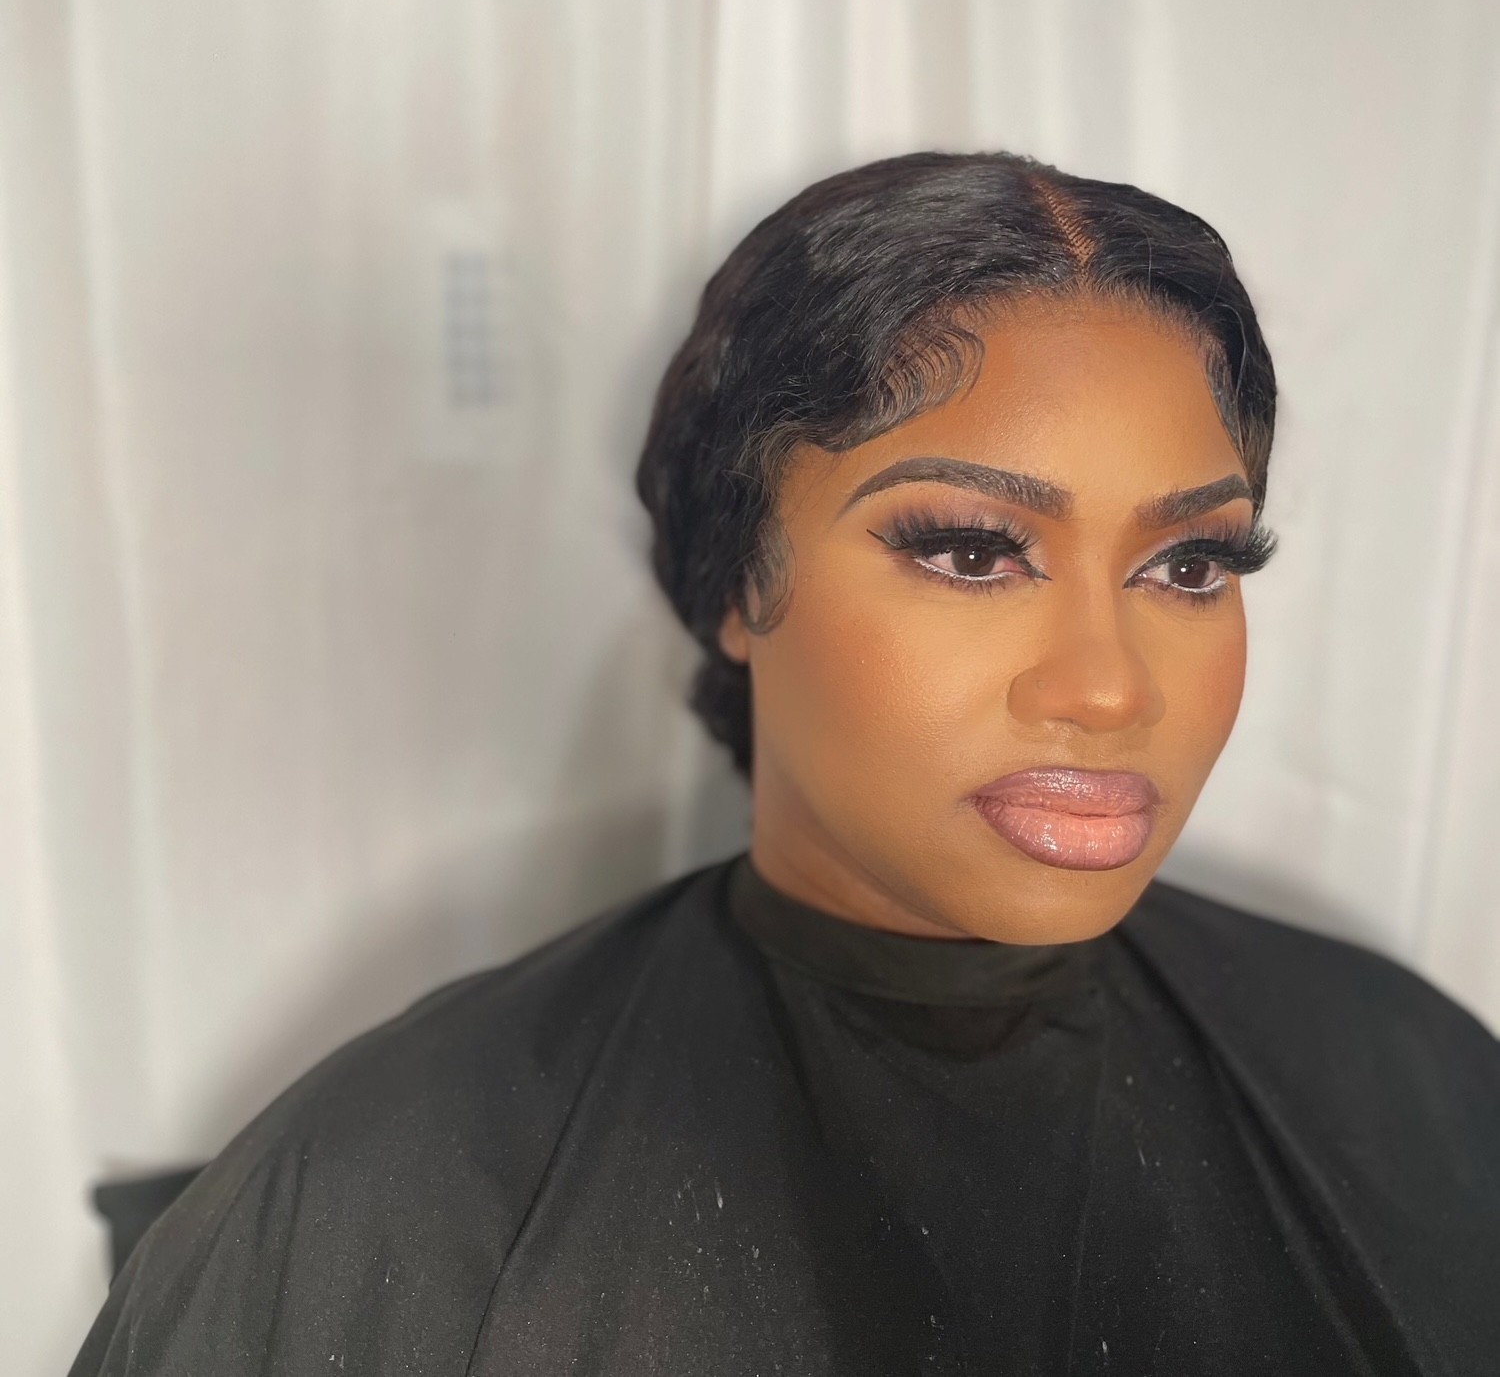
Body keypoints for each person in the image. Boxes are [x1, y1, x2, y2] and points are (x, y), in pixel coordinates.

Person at [71, 153, 1500, 1376]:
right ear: (739, 584)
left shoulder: (1416, 1091)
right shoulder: (383, 1196)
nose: (1109, 686)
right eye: (971, 550)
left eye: (1190, 564)